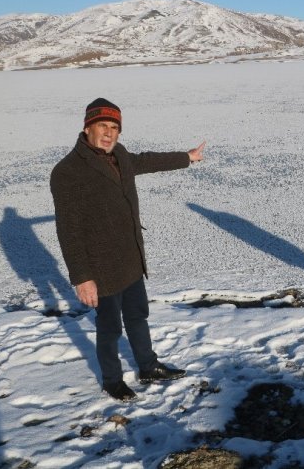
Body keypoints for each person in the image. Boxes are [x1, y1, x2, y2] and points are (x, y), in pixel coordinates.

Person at [50, 98, 206, 401]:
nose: (109, 134)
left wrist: (187, 157)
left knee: (138, 316)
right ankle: (111, 380)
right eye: (102, 126)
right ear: (87, 128)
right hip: (100, 268)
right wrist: (82, 277)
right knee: (109, 328)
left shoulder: (119, 154)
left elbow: (145, 161)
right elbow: (67, 231)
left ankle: (148, 366)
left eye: (114, 128)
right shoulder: (67, 172)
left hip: (130, 257)